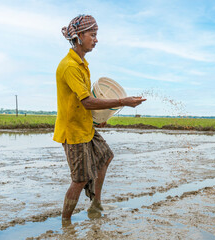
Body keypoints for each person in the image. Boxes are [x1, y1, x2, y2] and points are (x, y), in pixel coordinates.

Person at [53, 14, 146, 224]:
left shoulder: (82, 63)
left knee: (105, 156)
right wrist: (122, 101)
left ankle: (95, 203)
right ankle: (65, 223)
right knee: (79, 179)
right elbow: (86, 101)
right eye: (92, 35)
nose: (96, 40)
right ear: (79, 37)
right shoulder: (70, 66)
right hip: (73, 131)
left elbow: (81, 101)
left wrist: (97, 120)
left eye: (96, 35)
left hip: (85, 126)